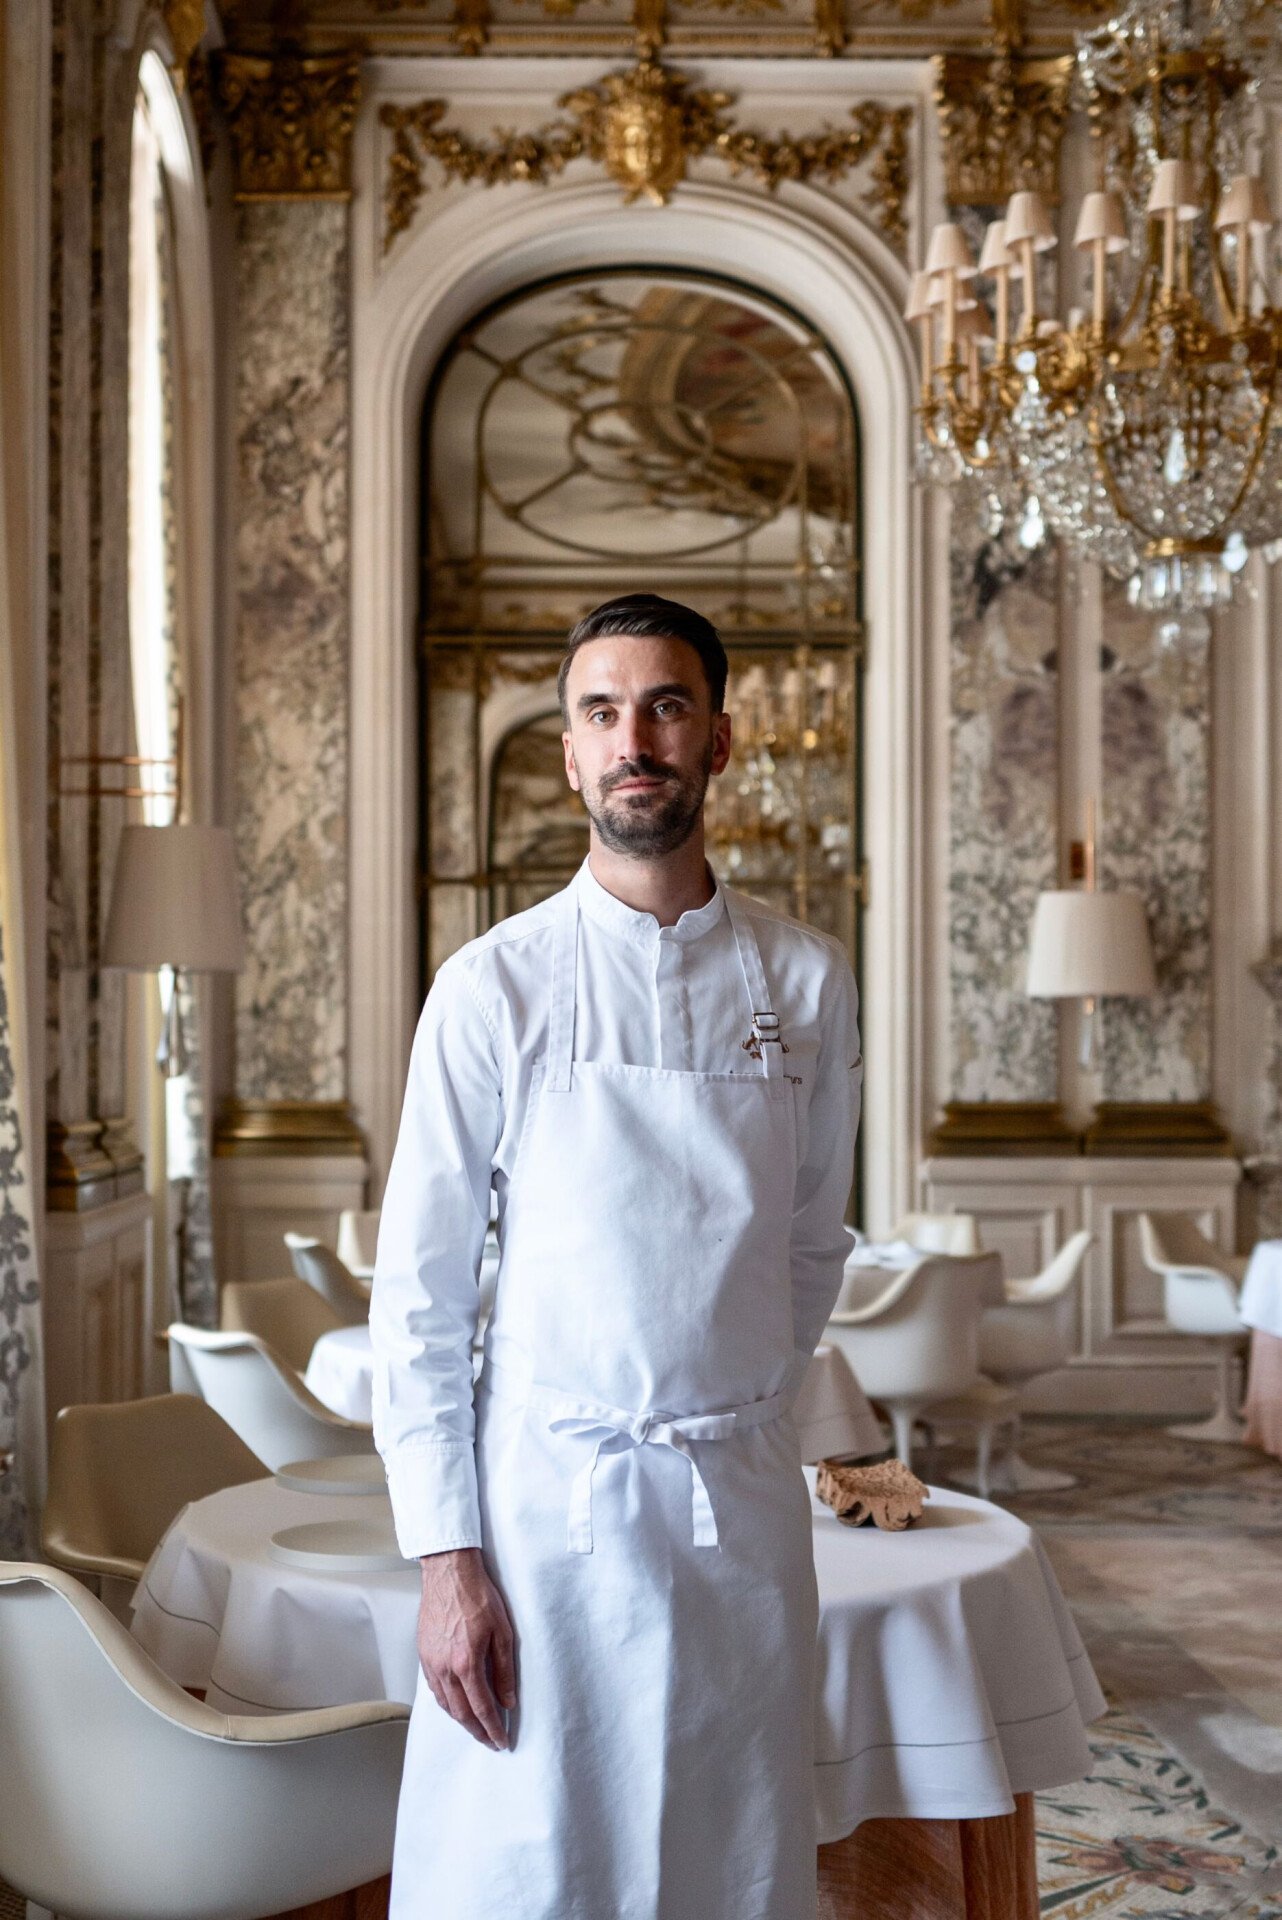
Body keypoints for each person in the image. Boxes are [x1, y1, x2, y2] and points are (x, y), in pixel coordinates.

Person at [371, 592, 863, 1920]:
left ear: (719, 741)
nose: (632, 738)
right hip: (543, 1513)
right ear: (569, 750)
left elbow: (810, 1242)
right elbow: (416, 1294)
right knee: (528, 1864)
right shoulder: (491, 987)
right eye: (601, 712)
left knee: (733, 1855)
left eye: (664, 706)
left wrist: (735, 1391)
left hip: (738, 1508)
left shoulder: (809, 981)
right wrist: (446, 1562)